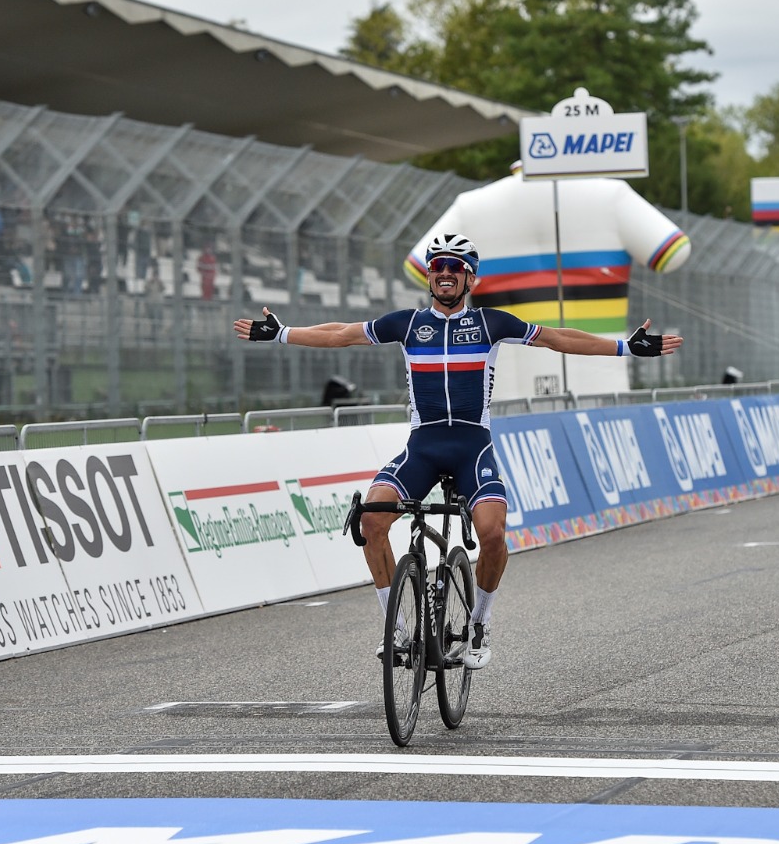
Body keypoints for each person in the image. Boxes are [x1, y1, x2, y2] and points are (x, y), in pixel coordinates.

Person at [235, 233, 681, 670]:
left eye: (455, 268)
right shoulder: (407, 324)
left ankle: (480, 623)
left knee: (491, 534)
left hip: (472, 449)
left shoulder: (492, 323)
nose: (445, 274)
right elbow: (340, 334)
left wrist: (626, 347)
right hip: (423, 447)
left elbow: (558, 338)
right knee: (371, 519)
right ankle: (396, 627)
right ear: (429, 276)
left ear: (471, 280)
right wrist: (282, 333)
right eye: (437, 267)